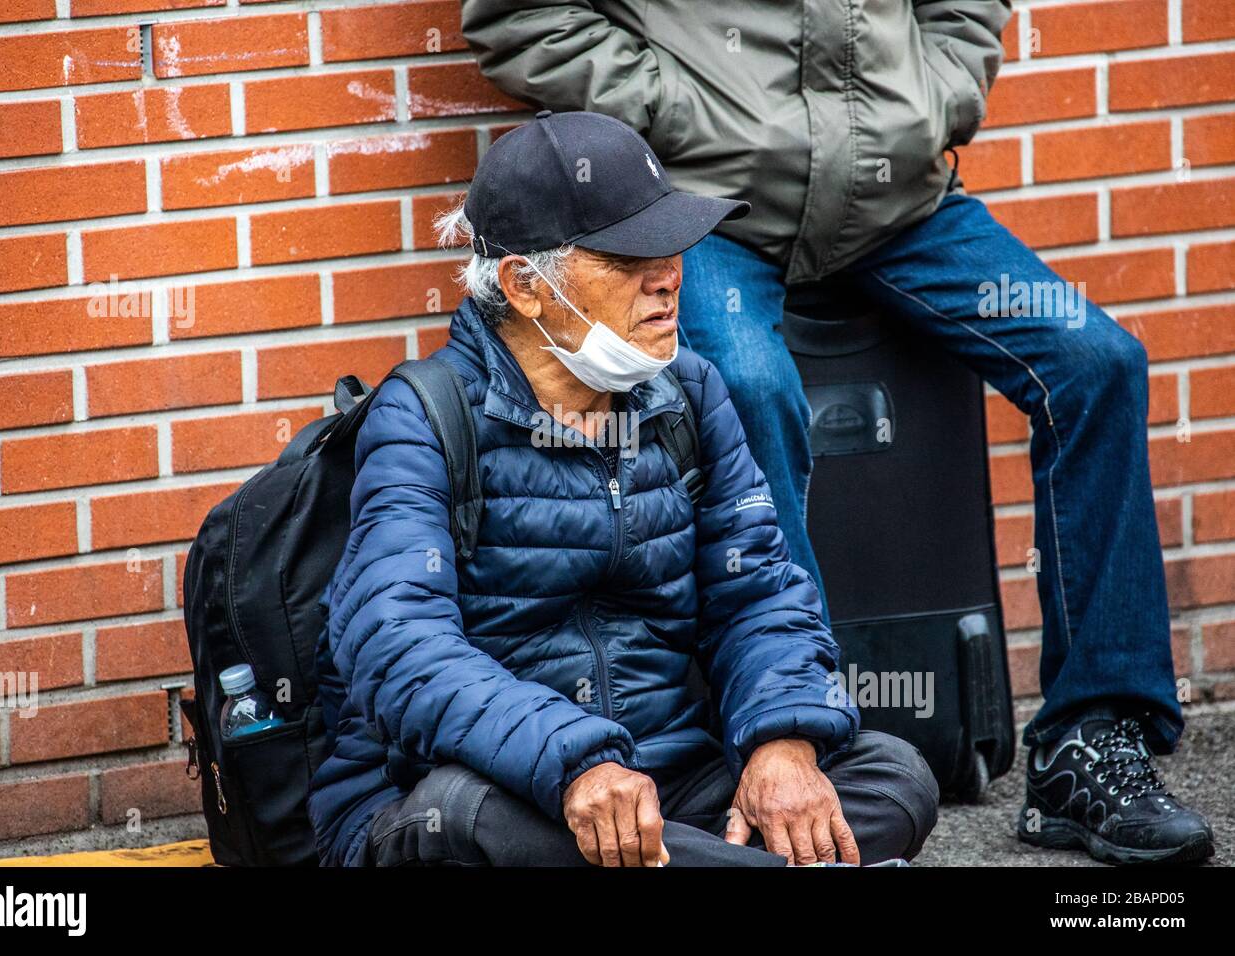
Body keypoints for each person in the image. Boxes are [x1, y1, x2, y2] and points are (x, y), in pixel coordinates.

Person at [460, 0, 1216, 865]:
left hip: (895, 196)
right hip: (711, 198)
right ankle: (789, 744)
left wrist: (926, 101)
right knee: (746, 389)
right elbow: (518, 17)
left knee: (1097, 364)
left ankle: (1089, 741)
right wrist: (682, 107)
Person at [307, 110, 938, 867]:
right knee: (468, 823)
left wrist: (781, 740)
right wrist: (574, 760)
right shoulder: (424, 412)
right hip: (489, 788)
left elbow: (759, 594)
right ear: (526, 286)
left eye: (670, 246)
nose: (666, 275)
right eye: (626, 256)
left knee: (893, 777)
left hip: (665, 776)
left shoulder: (689, 394)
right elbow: (398, 646)